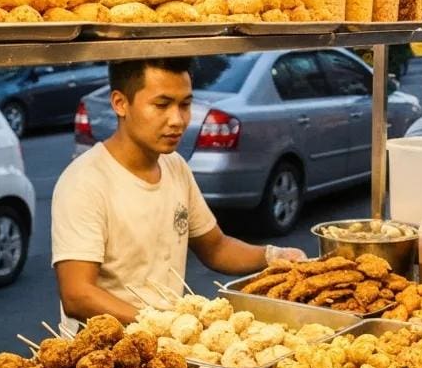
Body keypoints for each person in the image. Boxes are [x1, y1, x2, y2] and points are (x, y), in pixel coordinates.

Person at [52, 58, 305, 326]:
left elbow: (216, 248)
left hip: (168, 340)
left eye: (184, 105)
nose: (177, 120)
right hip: (105, 349)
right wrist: (163, 324)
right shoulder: (85, 182)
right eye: (161, 105)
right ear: (120, 103)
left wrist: (272, 256)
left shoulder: (174, 166)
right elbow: (78, 295)